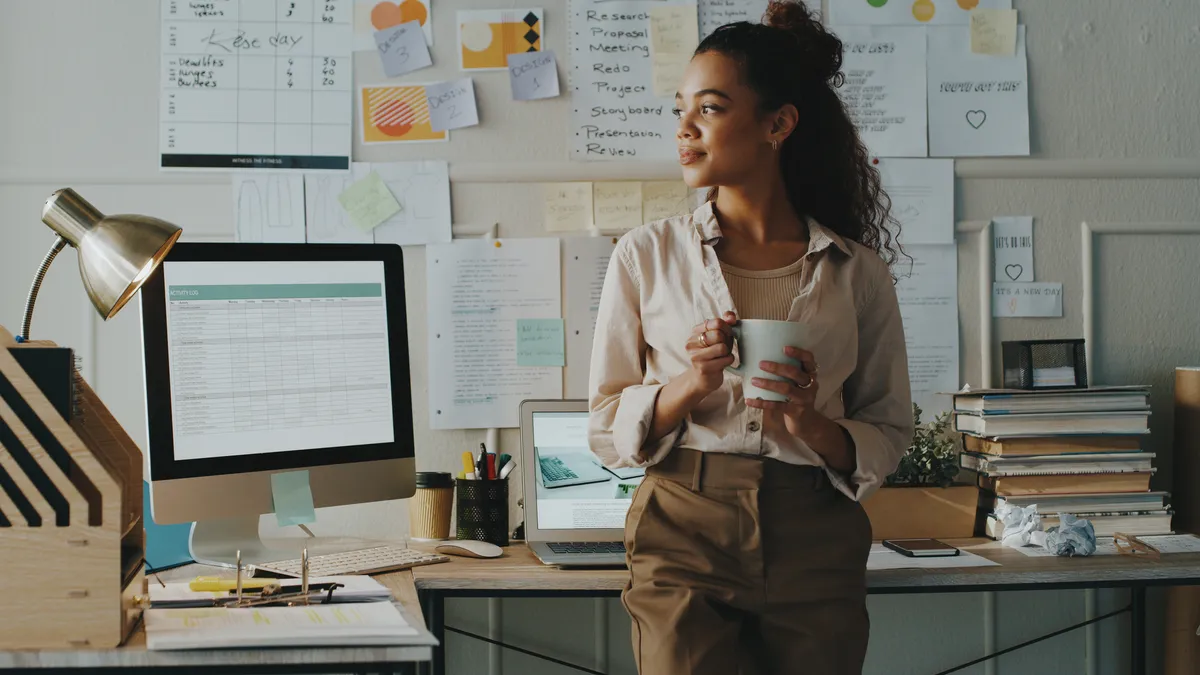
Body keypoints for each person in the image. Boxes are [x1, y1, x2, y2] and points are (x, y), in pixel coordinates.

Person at [586, 3, 915, 674]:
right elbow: (604, 423)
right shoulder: (644, 256)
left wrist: (809, 421)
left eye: (707, 109)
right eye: (680, 109)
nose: (683, 129)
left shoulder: (858, 271)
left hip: (816, 533)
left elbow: (889, 430)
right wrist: (690, 384)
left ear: (778, 124)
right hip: (683, 525)